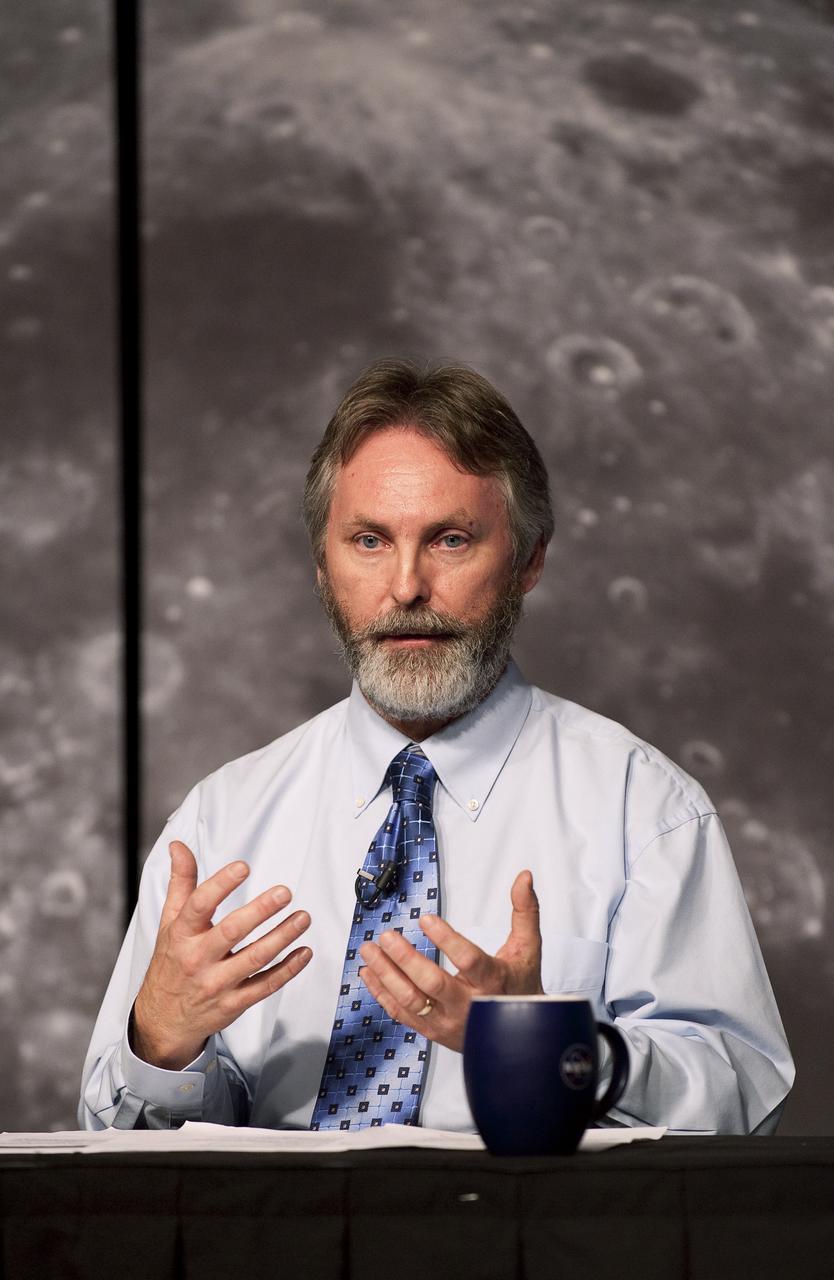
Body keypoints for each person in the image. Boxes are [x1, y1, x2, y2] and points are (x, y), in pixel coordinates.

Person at [79, 359, 794, 1133]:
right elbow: (124, 1159)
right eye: (369, 541)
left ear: (529, 561)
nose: (407, 586)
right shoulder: (219, 821)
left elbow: (743, 1099)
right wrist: (162, 1044)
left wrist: (570, 1050)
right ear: (324, 567)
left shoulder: (643, 807)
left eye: (451, 540)